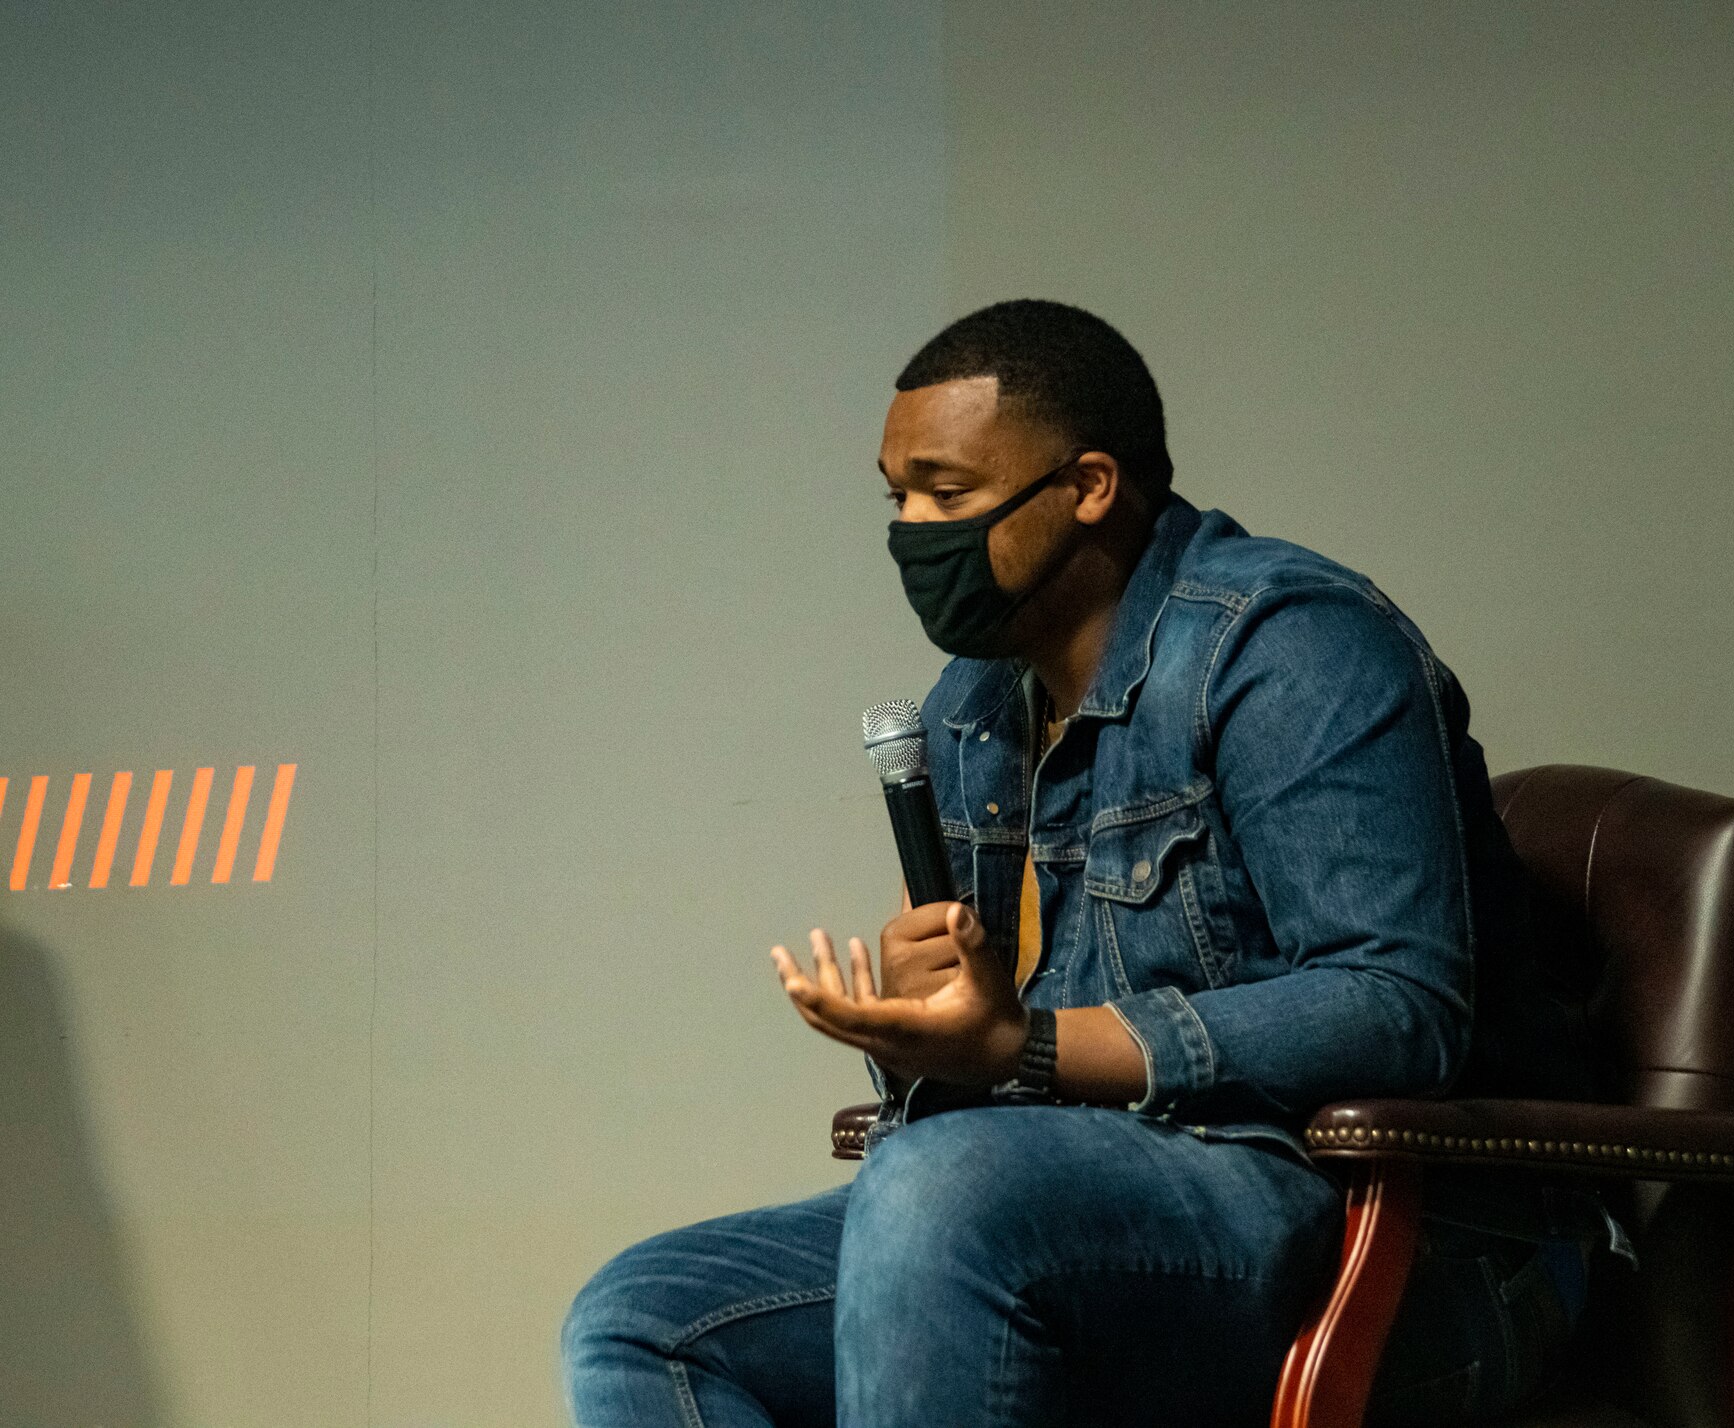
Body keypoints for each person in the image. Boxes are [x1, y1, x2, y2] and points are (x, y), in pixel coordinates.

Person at [561, 299, 1611, 1427]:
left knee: (938, 1191)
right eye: (896, 495)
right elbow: (1012, 1084)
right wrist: (941, 1042)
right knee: (648, 1312)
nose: (913, 529)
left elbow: (1396, 1007)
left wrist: (1032, 1047)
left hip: (1403, 1245)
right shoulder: (974, 708)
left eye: (948, 495)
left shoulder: (1289, 645)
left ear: (1090, 486)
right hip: (1082, 1212)